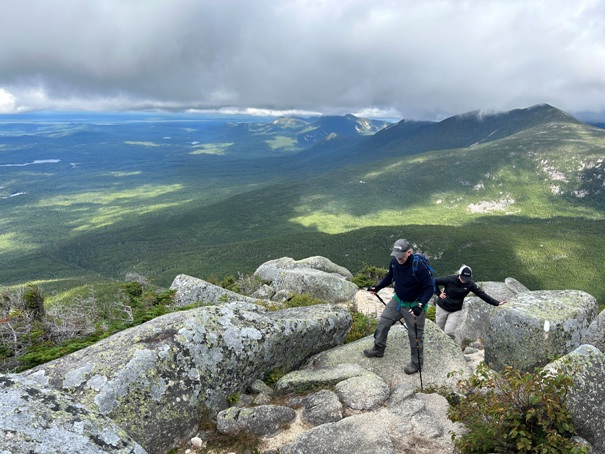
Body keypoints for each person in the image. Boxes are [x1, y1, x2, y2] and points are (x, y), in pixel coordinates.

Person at [363, 238, 435, 375]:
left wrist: (420, 305)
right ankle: (379, 348)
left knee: (415, 336)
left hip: (414, 304)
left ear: (409, 252)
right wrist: (378, 287)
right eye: (396, 255)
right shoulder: (395, 262)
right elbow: (390, 276)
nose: (398, 258)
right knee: (383, 322)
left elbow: (429, 288)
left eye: (401, 255)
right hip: (398, 300)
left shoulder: (419, 266)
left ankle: (416, 364)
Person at [434, 265, 507, 340]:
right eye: (462, 278)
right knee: (439, 328)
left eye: (466, 279)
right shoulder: (450, 279)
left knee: (449, 331)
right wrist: (438, 293)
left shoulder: (470, 284)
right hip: (442, 307)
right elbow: (434, 281)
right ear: (459, 274)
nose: (464, 280)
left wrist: (497, 303)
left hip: (455, 310)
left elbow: (482, 294)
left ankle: (448, 349)